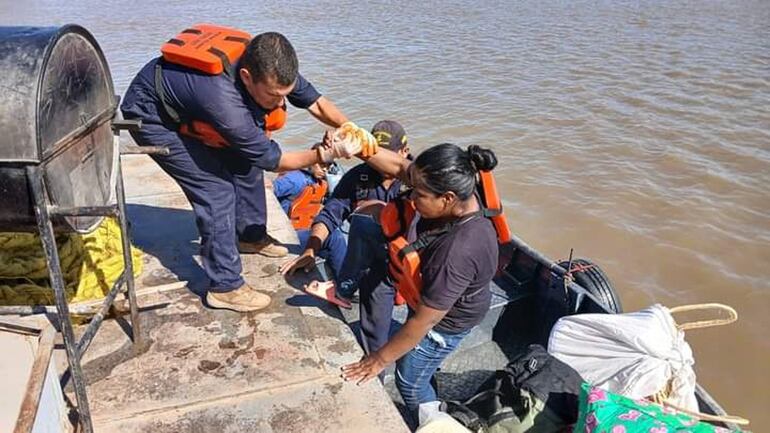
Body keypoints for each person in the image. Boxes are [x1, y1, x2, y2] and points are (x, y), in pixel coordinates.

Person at [120, 29, 361, 312]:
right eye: (273, 96)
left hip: (186, 100)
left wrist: (351, 128)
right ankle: (225, 287)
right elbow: (272, 159)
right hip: (152, 116)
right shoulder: (222, 99)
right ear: (246, 77)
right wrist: (326, 154)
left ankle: (250, 236)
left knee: (244, 165)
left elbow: (316, 103)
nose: (281, 103)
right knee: (215, 189)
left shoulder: (271, 64)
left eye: (285, 94)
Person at [340, 143, 502, 418]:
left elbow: (424, 321)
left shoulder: (456, 252)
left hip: (448, 322)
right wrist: (359, 144)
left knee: (409, 379)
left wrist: (377, 360)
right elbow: (402, 167)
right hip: (441, 292)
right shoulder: (465, 192)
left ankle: (434, 422)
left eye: (420, 194)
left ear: (447, 198)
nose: (411, 198)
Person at [279, 120, 411, 306]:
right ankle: (346, 289)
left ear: (404, 152)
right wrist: (310, 250)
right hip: (375, 266)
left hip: (411, 258)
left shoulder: (418, 180)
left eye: (387, 154)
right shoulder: (357, 178)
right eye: (375, 153)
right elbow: (330, 215)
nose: (380, 161)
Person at [271, 161, 347, 283]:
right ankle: (345, 287)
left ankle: (334, 285)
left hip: (304, 232)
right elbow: (268, 191)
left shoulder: (322, 183)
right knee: (335, 237)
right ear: (310, 163)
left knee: (330, 237)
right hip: (288, 234)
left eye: (327, 167)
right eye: (321, 165)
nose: (324, 170)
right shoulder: (295, 179)